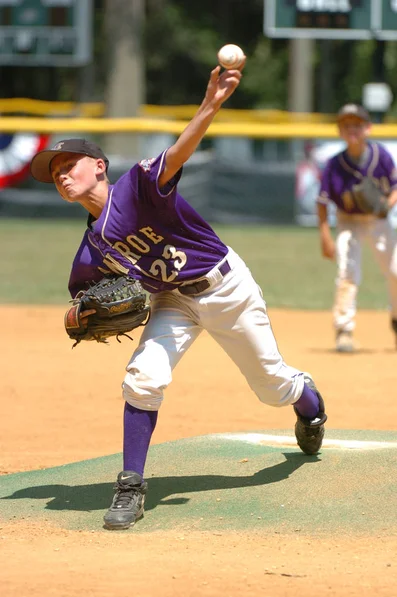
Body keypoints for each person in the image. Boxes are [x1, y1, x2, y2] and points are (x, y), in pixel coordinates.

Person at [30, 63, 327, 531]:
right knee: (142, 379)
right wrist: (79, 317)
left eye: (69, 166)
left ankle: (308, 402)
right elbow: (78, 305)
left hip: (227, 287)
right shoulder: (91, 249)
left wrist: (211, 102)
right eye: (55, 173)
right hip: (172, 303)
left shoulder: (140, 186)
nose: (62, 176)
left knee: (272, 387)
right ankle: (130, 487)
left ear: (99, 166)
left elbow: (178, 152)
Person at [317, 103, 397, 353]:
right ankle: (344, 329)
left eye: (357, 125)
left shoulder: (380, 156)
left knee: (395, 272)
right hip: (348, 220)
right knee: (347, 272)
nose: (352, 130)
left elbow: (395, 187)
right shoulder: (334, 164)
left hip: (377, 220)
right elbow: (322, 202)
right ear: (340, 131)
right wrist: (325, 236)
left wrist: (387, 205)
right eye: (346, 125)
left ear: (368, 128)